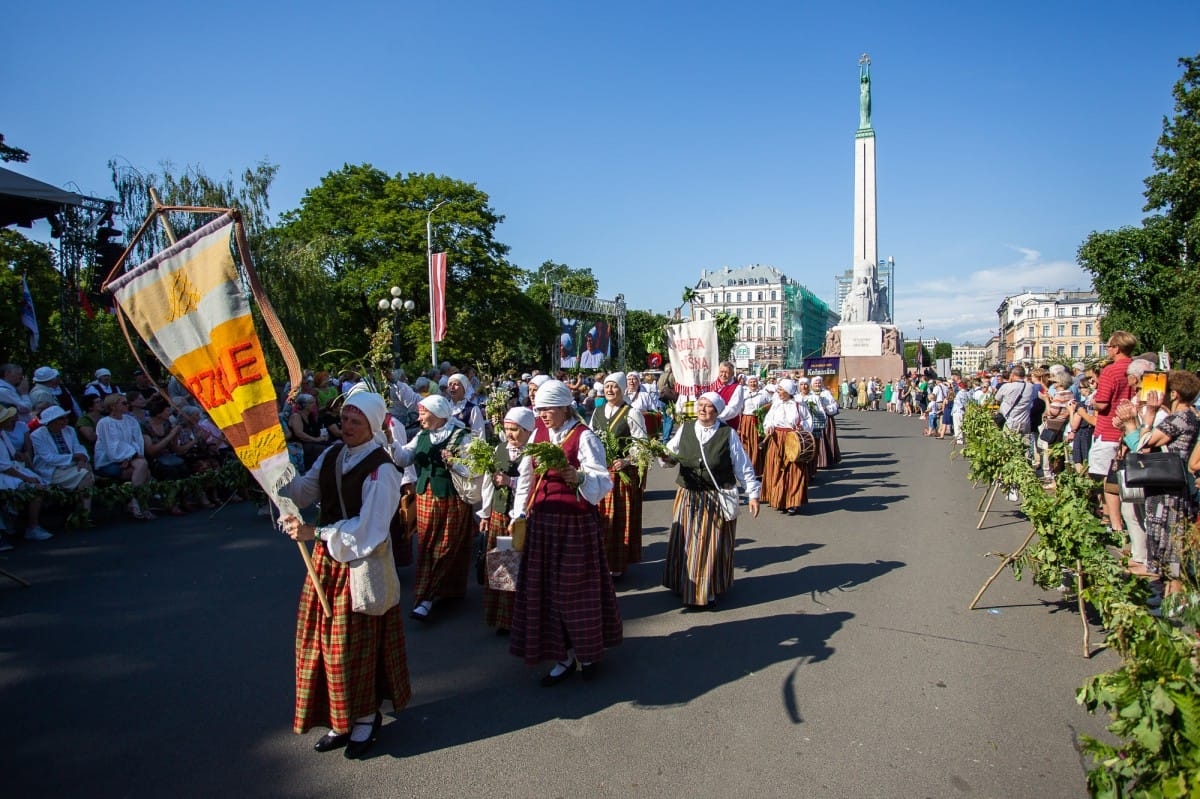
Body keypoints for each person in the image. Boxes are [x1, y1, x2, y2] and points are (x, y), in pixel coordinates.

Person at [280, 389, 411, 760]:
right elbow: (305, 492)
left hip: (360, 564)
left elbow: (370, 530)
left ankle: (366, 718)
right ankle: (342, 719)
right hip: (326, 561)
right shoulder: (332, 452)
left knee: (352, 648)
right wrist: (273, 475)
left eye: (356, 421)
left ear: (373, 426)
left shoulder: (383, 469)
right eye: (345, 420)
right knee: (320, 644)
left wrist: (315, 533)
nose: (348, 427)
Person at [508, 379, 622, 686]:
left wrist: (579, 476)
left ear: (564, 407)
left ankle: (587, 653)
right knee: (544, 592)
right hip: (542, 523)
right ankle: (563, 656)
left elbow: (602, 480)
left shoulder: (583, 437)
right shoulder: (539, 433)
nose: (543, 415)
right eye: (540, 409)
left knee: (575, 592)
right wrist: (518, 513)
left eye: (549, 409)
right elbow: (526, 476)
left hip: (574, 524)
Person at [661, 392, 761, 608]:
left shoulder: (727, 434)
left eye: (708, 407)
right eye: (700, 405)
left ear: (717, 411)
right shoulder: (686, 429)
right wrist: (663, 456)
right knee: (685, 540)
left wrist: (753, 494)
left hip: (714, 497)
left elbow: (743, 467)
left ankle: (706, 590)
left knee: (707, 544)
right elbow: (669, 456)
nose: (702, 409)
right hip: (687, 494)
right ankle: (682, 583)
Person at [391, 394, 475, 622]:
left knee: (446, 546)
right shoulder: (422, 435)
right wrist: (389, 440)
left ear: (438, 414)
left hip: (451, 496)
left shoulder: (462, 436)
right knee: (427, 546)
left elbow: (473, 470)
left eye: (423, 413)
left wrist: (453, 462)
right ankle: (427, 596)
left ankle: (433, 595)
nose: (419, 418)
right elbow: (403, 458)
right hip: (426, 496)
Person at [1127, 370, 1200, 604]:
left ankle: (1174, 601)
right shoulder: (1191, 416)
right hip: (1172, 486)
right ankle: (1168, 596)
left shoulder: (1180, 418)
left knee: (1170, 546)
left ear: (1175, 394)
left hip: (1169, 489)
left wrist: (1149, 416)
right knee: (1169, 544)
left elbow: (1145, 445)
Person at [479, 407, 535, 634]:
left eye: (515, 430)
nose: (510, 434)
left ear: (528, 430)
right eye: (507, 429)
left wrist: (510, 483)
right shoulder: (499, 449)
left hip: (521, 518)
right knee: (502, 565)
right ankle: (503, 617)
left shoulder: (533, 453)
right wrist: (484, 513)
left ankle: (523, 617)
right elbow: (487, 482)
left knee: (522, 566)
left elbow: (529, 486)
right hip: (500, 513)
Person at [589, 372, 648, 578]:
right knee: (599, 519)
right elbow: (589, 439)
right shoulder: (597, 412)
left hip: (620, 473)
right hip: (600, 472)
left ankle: (616, 564)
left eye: (614, 387)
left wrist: (626, 460)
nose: (610, 390)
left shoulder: (632, 413)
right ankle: (598, 561)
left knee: (618, 520)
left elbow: (642, 444)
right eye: (607, 386)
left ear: (622, 389)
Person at [1090, 331, 1137, 535]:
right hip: (1134, 430)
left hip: (1109, 430)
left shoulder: (1111, 371)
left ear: (1117, 348)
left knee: (1106, 480)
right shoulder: (1138, 368)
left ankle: (1112, 521)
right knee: (1128, 478)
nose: (1107, 350)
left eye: (1108, 347)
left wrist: (1090, 402)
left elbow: (1101, 403)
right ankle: (1125, 521)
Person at [94, 393, 155, 520]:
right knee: (145, 472)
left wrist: (131, 456)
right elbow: (112, 445)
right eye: (124, 403)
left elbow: (136, 440)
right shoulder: (104, 423)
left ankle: (134, 502)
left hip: (130, 457)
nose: (128, 405)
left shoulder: (131, 420)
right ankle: (138, 503)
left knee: (143, 466)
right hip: (109, 461)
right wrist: (128, 456)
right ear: (113, 406)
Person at [30, 405, 95, 519]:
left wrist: (82, 458)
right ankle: (84, 513)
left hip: (72, 465)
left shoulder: (69, 430)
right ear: (52, 422)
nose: (66, 421)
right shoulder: (37, 435)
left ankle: (83, 512)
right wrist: (74, 458)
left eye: (66, 417)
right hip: (51, 469)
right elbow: (48, 458)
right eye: (62, 418)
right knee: (86, 475)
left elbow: (78, 447)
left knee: (86, 471)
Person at [0, 405, 53, 540]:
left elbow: (11, 455)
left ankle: (16, 522)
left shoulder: (2, 434)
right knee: (35, 490)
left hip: (13, 469)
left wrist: (18, 455)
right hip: (6, 475)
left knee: (41, 482)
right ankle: (32, 527)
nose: (11, 419)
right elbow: (4, 467)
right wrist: (26, 478)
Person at [761, 379, 813, 515]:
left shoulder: (798, 405)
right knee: (776, 468)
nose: (779, 393)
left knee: (794, 470)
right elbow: (769, 420)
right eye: (778, 390)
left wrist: (802, 427)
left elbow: (808, 420)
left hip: (793, 439)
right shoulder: (776, 404)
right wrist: (769, 427)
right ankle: (778, 499)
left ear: (789, 391)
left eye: (781, 390)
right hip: (777, 438)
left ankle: (792, 502)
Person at [289, 394, 330, 470]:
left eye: (314, 402)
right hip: (300, 444)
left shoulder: (311, 416)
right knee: (326, 450)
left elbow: (316, 431)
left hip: (311, 443)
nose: (314, 405)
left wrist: (323, 436)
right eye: (311, 403)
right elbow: (299, 434)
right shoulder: (296, 416)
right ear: (303, 405)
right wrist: (316, 439)